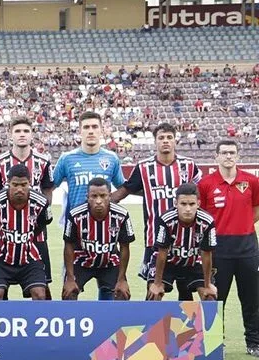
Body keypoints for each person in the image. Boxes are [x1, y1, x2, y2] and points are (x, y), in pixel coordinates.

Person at [112, 123, 200, 298]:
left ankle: (188, 326)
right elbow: (125, 191)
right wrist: (103, 200)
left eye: (169, 137)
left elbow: (200, 193)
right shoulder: (144, 167)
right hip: (154, 239)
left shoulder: (189, 165)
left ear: (175, 141)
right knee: (153, 292)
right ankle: (151, 325)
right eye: (161, 138)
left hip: (187, 239)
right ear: (155, 142)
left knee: (186, 292)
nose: (165, 141)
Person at [197, 140, 259, 357]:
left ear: (238, 155)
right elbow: (202, 216)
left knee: (251, 298)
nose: (228, 156)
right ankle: (215, 342)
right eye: (224, 153)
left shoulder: (251, 181)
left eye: (232, 152)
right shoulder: (206, 184)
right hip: (218, 249)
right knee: (216, 296)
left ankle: (254, 343)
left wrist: (243, 225)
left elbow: (256, 209)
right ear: (216, 157)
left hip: (247, 247)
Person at [0, 117, 55, 298]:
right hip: (6, 232)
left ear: (32, 135)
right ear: (11, 135)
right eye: (17, 131)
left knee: (42, 286)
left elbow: (48, 189)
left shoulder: (43, 162)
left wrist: (41, 212)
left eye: (26, 131)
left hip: (35, 233)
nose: (22, 135)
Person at [63, 177, 135, 301]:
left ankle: (114, 320)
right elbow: (68, 246)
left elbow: (124, 247)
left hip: (109, 261)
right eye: (94, 196)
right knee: (69, 293)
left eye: (103, 196)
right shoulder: (75, 215)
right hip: (82, 261)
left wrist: (122, 279)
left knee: (122, 293)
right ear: (87, 197)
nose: (98, 201)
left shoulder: (121, 215)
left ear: (110, 196)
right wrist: (69, 279)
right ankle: (73, 319)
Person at [0, 165, 52, 301]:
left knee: (40, 294)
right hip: (1, 258)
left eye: (24, 185)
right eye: (15, 185)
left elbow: (43, 223)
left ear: (30, 183)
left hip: (29, 257)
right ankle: (1, 321)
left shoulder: (41, 202)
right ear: (8, 184)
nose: (19, 189)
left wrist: (27, 235)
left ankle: (36, 321)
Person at [147, 183, 217, 302]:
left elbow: (206, 254)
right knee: (154, 295)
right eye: (183, 204)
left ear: (198, 204)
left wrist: (208, 284)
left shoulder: (207, 221)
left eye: (192, 204)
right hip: (168, 262)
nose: (188, 209)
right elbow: (162, 253)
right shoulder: (166, 219)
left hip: (194, 262)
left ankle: (205, 320)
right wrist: (157, 283)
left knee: (209, 297)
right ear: (176, 204)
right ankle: (151, 320)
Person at [54, 111, 125, 223]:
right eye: (86, 127)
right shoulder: (66, 159)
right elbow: (50, 186)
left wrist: (110, 199)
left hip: (104, 223)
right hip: (75, 224)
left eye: (95, 127)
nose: (91, 131)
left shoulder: (112, 158)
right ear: (80, 131)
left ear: (101, 130)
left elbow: (122, 187)